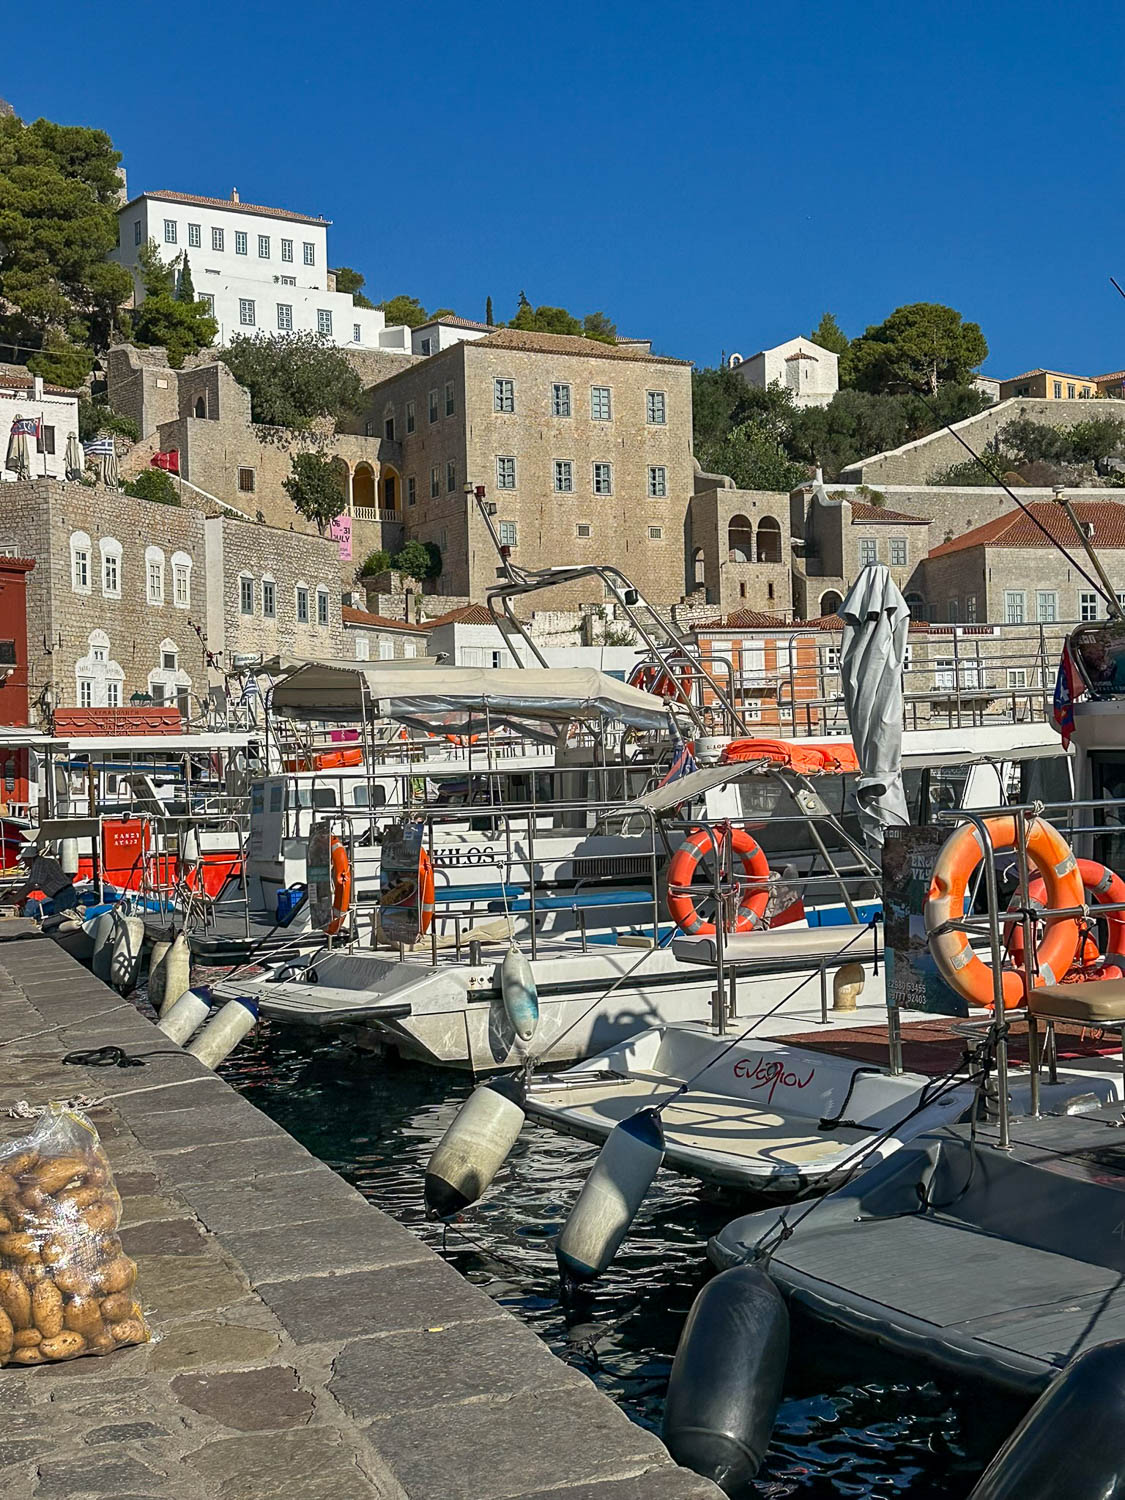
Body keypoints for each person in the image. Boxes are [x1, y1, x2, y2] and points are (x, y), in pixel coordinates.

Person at [10, 846, 78, 920]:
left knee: (62, 919)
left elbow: (30, 886)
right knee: (66, 917)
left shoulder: (39, 864)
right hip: (65, 892)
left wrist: (12, 900)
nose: (24, 863)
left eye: (24, 860)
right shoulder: (45, 861)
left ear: (30, 858)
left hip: (62, 895)